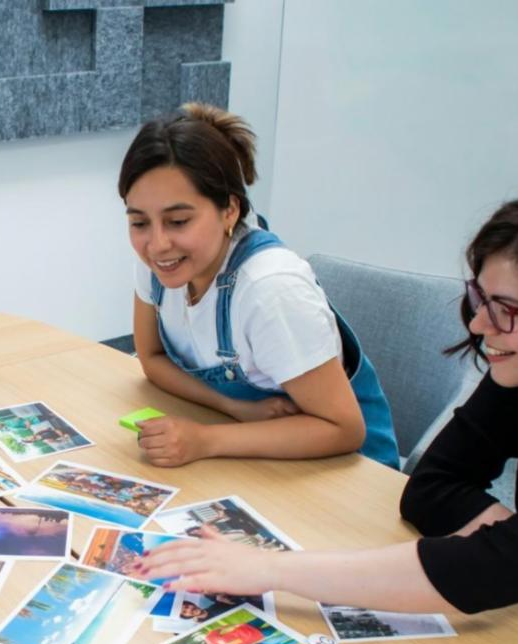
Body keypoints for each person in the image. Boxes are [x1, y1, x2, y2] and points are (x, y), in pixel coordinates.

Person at [134, 179, 518, 640]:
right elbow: (432, 485)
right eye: (479, 297)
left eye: (506, 307)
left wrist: (266, 569)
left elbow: (480, 575)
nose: (483, 325)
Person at [119, 104, 399, 469]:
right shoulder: (162, 265)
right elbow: (152, 360)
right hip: (251, 451)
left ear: (230, 211)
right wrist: (235, 407)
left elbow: (344, 429)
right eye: (139, 223)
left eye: (178, 221)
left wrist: (205, 439)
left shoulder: (269, 291)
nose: (157, 244)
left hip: (345, 474)